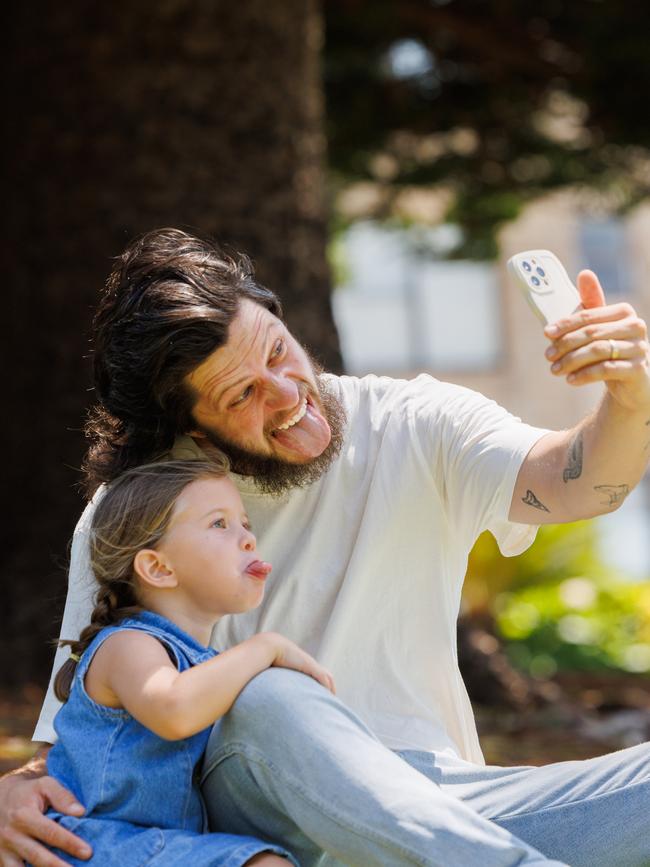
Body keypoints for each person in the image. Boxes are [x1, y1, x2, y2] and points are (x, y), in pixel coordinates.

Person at [2, 227, 649, 866]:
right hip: (261, 829)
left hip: (448, 816)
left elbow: (577, 484)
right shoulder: (138, 513)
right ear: (190, 428)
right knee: (267, 693)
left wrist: (630, 399)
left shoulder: (414, 421)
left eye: (278, 353)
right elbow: (90, 735)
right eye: (243, 394)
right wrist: (16, 791)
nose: (288, 395)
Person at [37, 456, 334, 866]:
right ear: (158, 568)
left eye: (245, 523)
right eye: (220, 524)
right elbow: (173, 710)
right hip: (95, 842)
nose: (248, 538)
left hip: (162, 845)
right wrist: (265, 647)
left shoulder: (204, 665)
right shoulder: (128, 644)